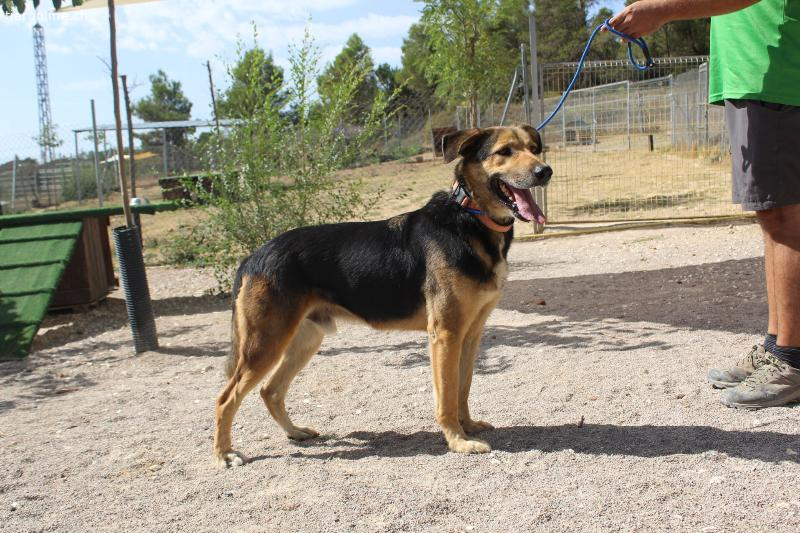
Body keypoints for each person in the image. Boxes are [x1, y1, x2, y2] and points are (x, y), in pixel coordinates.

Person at [608, 0, 800, 409]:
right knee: (772, 215)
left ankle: (792, 358)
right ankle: (777, 345)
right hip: (756, 73)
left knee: (785, 217)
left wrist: (662, 10)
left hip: (775, 71)